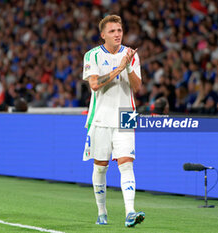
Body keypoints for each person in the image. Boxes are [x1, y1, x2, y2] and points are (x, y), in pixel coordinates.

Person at [82, 15, 145, 227]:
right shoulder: (92, 56)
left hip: (126, 114)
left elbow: (137, 87)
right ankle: (102, 212)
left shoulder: (131, 55)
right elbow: (95, 84)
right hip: (100, 116)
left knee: (126, 164)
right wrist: (118, 69)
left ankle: (130, 212)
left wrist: (127, 66)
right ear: (103, 35)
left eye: (119, 30)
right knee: (100, 167)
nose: (117, 34)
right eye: (112, 31)